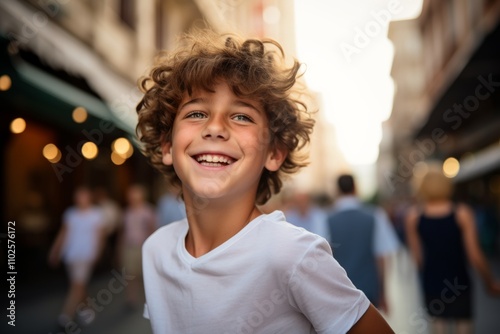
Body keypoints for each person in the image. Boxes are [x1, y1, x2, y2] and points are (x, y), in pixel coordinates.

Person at [135, 28, 394, 333]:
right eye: (196, 113)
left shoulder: (292, 254)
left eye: (242, 116)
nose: (215, 128)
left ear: (274, 153)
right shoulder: (155, 250)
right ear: (167, 146)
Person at [405, 167, 500, 334]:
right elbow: (474, 255)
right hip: (459, 282)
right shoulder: (462, 213)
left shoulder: (414, 217)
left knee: (438, 327)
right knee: (464, 326)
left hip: (432, 284)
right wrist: (489, 282)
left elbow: (418, 258)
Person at [327, 174, 400, 313]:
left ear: (337, 191)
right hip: (369, 291)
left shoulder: (326, 219)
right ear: (355, 188)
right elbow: (382, 257)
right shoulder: (375, 215)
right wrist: (383, 293)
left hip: (340, 291)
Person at [48, 186, 106, 327]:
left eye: (83, 196)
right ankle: (87, 309)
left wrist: (98, 252)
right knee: (79, 284)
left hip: (86, 255)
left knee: (76, 285)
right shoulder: (70, 213)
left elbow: (100, 236)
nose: (81, 199)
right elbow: (63, 234)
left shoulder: (96, 214)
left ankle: (66, 316)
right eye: (79, 196)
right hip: (71, 254)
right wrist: (55, 251)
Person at [119, 184, 156, 308]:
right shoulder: (127, 212)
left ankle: (149, 298)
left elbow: (152, 230)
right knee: (130, 274)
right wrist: (120, 249)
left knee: (144, 273)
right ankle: (131, 298)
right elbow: (123, 231)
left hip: (143, 247)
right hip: (129, 247)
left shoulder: (148, 211)